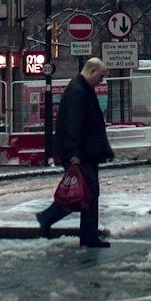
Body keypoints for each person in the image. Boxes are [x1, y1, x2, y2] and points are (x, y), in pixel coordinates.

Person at [40, 57, 112, 247]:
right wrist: (74, 153)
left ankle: (84, 234)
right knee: (85, 193)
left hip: (85, 151)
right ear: (91, 71)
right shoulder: (78, 91)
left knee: (86, 193)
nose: (102, 81)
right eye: (101, 76)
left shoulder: (82, 88)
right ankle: (51, 219)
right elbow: (73, 124)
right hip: (80, 153)